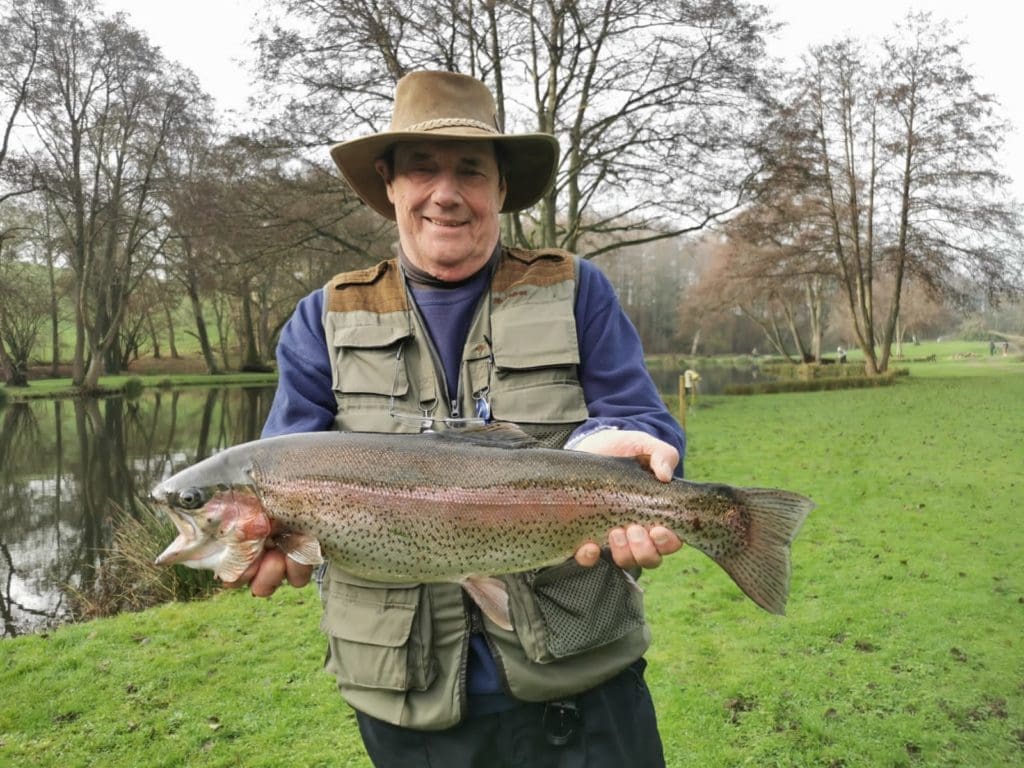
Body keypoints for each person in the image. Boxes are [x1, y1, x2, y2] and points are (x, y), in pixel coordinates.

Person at [228, 71, 685, 767]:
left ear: (501, 187)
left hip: (583, 684)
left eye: (470, 169)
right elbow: (284, 465)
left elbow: (638, 417)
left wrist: (615, 449)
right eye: (422, 167)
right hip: (407, 706)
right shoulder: (321, 319)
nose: (446, 192)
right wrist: (272, 542)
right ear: (389, 182)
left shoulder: (576, 290)